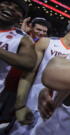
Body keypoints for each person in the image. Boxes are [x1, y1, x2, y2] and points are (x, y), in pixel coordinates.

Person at [10, 22, 70, 135]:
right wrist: (21, 103)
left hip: (52, 106)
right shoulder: (47, 42)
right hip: (33, 99)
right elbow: (30, 72)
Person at [0, 0, 36, 129]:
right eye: (8, 3)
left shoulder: (22, 38)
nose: (10, 8)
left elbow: (29, 63)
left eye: (16, 8)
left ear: (20, 17)